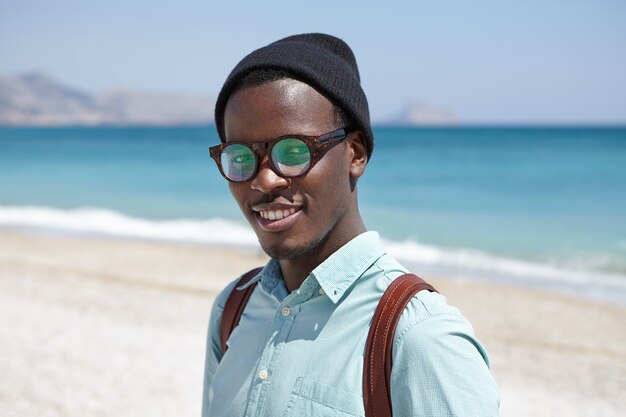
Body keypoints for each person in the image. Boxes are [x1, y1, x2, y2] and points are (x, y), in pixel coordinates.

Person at [203, 33, 499, 417]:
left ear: (355, 154)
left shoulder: (418, 337)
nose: (264, 181)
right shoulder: (234, 309)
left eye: (293, 152)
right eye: (240, 157)